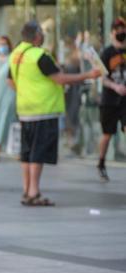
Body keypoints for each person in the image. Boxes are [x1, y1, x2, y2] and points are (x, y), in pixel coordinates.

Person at [8, 21, 101, 206]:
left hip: (25, 110)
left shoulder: (16, 54)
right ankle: (34, 192)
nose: (43, 36)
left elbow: (10, 82)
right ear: (36, 36)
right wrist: (89, 75)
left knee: (27, 152)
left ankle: (27, 190)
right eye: (41, 32)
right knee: (37, 152)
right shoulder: (40, 55)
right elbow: (61, 79)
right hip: (43, 110)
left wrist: (26, 91)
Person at [97, 18, 126, 182]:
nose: (121, 32)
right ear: (112, 32)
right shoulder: (107, 53)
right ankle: (101, 162)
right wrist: (115, 87)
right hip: (110, 100)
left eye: (123, 28)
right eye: (118, 29)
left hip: (125, 100)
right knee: (107, 134)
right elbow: (102, 77)